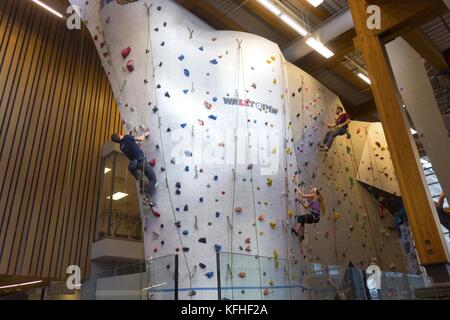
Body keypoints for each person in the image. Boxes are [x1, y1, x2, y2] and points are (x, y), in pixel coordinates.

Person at [111, 131, 159, 217]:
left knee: (146, 173)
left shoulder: (121, 147)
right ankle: (147, 197)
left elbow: (133, 148)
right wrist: (146, 134)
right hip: (141, 160)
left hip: (136, 164)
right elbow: (140, 139)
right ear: (119, 135)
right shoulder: (127, 137)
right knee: (153, 180)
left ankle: (143, 183)